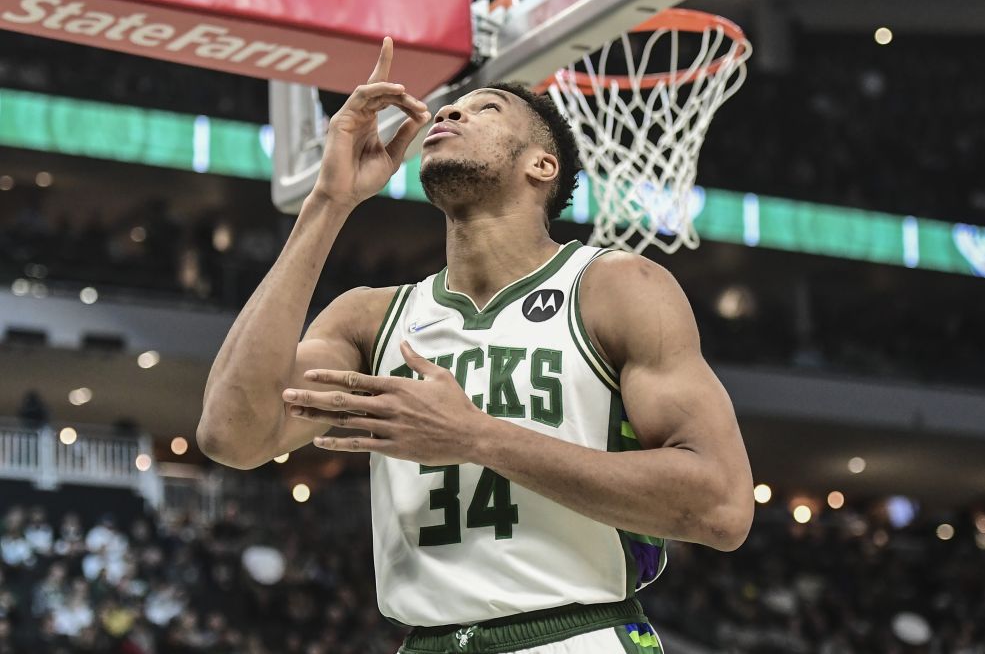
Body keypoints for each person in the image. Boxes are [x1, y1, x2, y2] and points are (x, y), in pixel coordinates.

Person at [199, 38, 754, 653]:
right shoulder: (370, 317)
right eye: (448, 110)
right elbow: (232, 435)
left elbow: (723, 508)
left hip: (577, 634)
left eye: (484, 108)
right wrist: (328, 203)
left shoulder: (615, 288)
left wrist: (476, 438)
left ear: (541, 165)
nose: (450, 113)